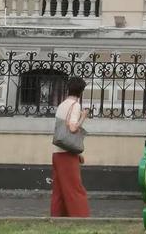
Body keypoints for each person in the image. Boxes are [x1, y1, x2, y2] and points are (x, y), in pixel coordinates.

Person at [51, 76, 90, 217]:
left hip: (57, 152)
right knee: (75, 189)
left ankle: (57, 218)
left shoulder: (62, 105)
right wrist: (83, 116)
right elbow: (73, 129)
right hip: (67, 155)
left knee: (59, 190)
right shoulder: (75, 105)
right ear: (81, 91)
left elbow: (63, 132)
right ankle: (80, 218)